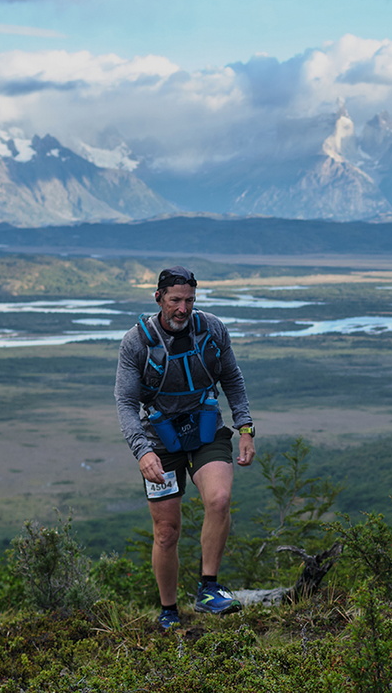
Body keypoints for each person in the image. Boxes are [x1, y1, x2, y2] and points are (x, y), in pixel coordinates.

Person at [115, 265, 256, 628]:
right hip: (160, 440)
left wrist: (245, 428)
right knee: (166, 531)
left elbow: (233, 380)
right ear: (158, 298)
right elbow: (126, 403)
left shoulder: (211, 329)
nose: (183, 308)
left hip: (206, 428)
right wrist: (142, 451)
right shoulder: (137, 341)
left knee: (219, 499)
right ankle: (169, 611)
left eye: (189, 300)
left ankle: (209, 589)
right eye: (175, 300)